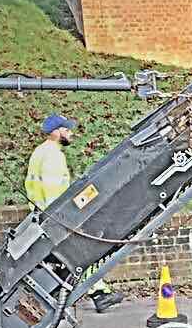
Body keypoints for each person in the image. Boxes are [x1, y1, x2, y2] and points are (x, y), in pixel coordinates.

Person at [25, 115, 121, 312]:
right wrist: (67, 217)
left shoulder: (40, 152)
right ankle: (99, 294)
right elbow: (54, 191)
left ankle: (97, 293)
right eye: (66, 130)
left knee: (67, 258)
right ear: (56, 131)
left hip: (43, 215)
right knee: (85, 251)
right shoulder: (53, 155)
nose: (71, 133)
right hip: (57, 217)